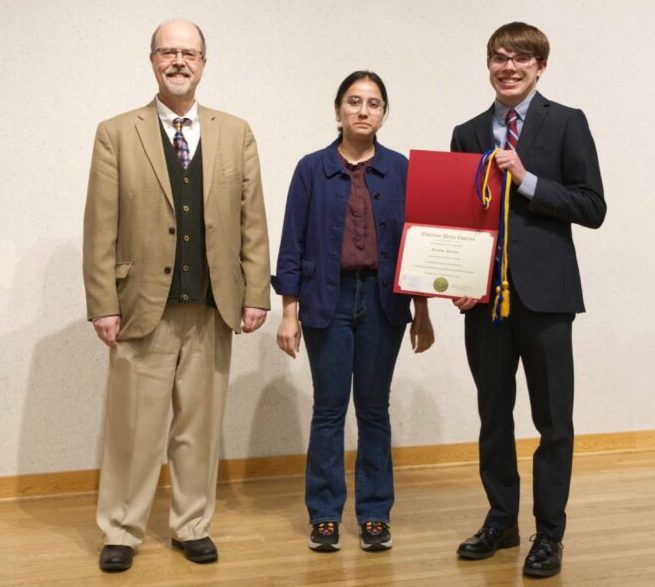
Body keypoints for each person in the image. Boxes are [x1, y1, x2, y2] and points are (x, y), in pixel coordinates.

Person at [83, 19, 270, 572]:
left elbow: (251, 220)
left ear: (204, 63)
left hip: (213, 305)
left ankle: (192, 525)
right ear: (152, 60)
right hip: (142, 306)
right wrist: (103, 303)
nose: (179, 61)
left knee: (199, 427)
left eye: (190, 53)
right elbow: (100, 224)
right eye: (169, 52)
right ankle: (121, 528)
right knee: (133, 431)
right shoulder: (117, 132)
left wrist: (255, 290)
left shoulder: (236, 132)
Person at [450, 22, 606, 577]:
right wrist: (455, 279)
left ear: (540, 67)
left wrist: (530, 179)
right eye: (499, 58)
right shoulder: (467, 132)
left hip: (546, 300)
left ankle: (549, 535)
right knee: (493, 417)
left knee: (552, 422)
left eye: (521, 59)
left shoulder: (566, 123)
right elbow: (458, 221)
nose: (508, 67)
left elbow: (592, 206)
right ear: (488, 65)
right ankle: (501, 521)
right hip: (484, 303)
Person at [273, 71, 434, 553]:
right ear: (338, 109)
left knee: (374, 410)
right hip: (328, 300)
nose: (364, 110)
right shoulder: (310, 169)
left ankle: (374, 515)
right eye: (354, 101)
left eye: (374, 104)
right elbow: (291, 242)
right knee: (328, 410)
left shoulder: (402, 169)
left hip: (385, 302)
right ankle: (323, 515)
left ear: (384, 114)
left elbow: (419, 245)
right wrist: (288, 311)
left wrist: (422, 312)